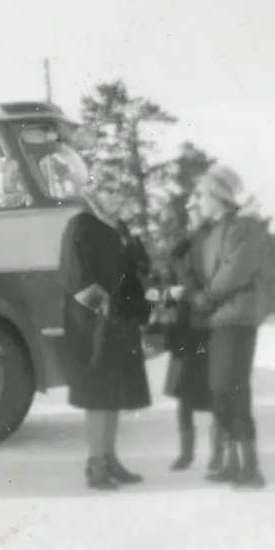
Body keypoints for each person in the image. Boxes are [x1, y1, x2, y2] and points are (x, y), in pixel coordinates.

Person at [58, 165, 153, 490]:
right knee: (98, 397)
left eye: (122, 192)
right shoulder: (80, 226)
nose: (119, 198)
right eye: (113, 191)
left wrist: (138, 306)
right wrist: (105, 309)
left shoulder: (119, 227)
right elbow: (75, 277)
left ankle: (110, 458)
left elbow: (137, 269)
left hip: (119, 323)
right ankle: (95, 464)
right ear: (96, 192)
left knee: (114, 395)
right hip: (92, 327)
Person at [186, 165, 270, 489]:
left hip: (237, 317)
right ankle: (235, 463)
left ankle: (250, 468)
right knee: (222, 390)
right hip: (220, 318)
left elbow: (235, 270)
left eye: (202, 194)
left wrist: (206, 296)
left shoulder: (244, 226)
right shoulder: (214, 229)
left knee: (229, 388)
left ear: (218, 196)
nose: (198, 201)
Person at [160, 237, 222, 473]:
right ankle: (186, 453)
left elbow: (206, 302)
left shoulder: (208, 274)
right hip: (184, 343)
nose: (178, 267)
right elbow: (168, 306)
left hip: (204, 342)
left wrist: (190, 294)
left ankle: (217, 453)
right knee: (184, 401)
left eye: (180, 263)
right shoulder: (176, 280)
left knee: (215, 398)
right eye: (177, 264)